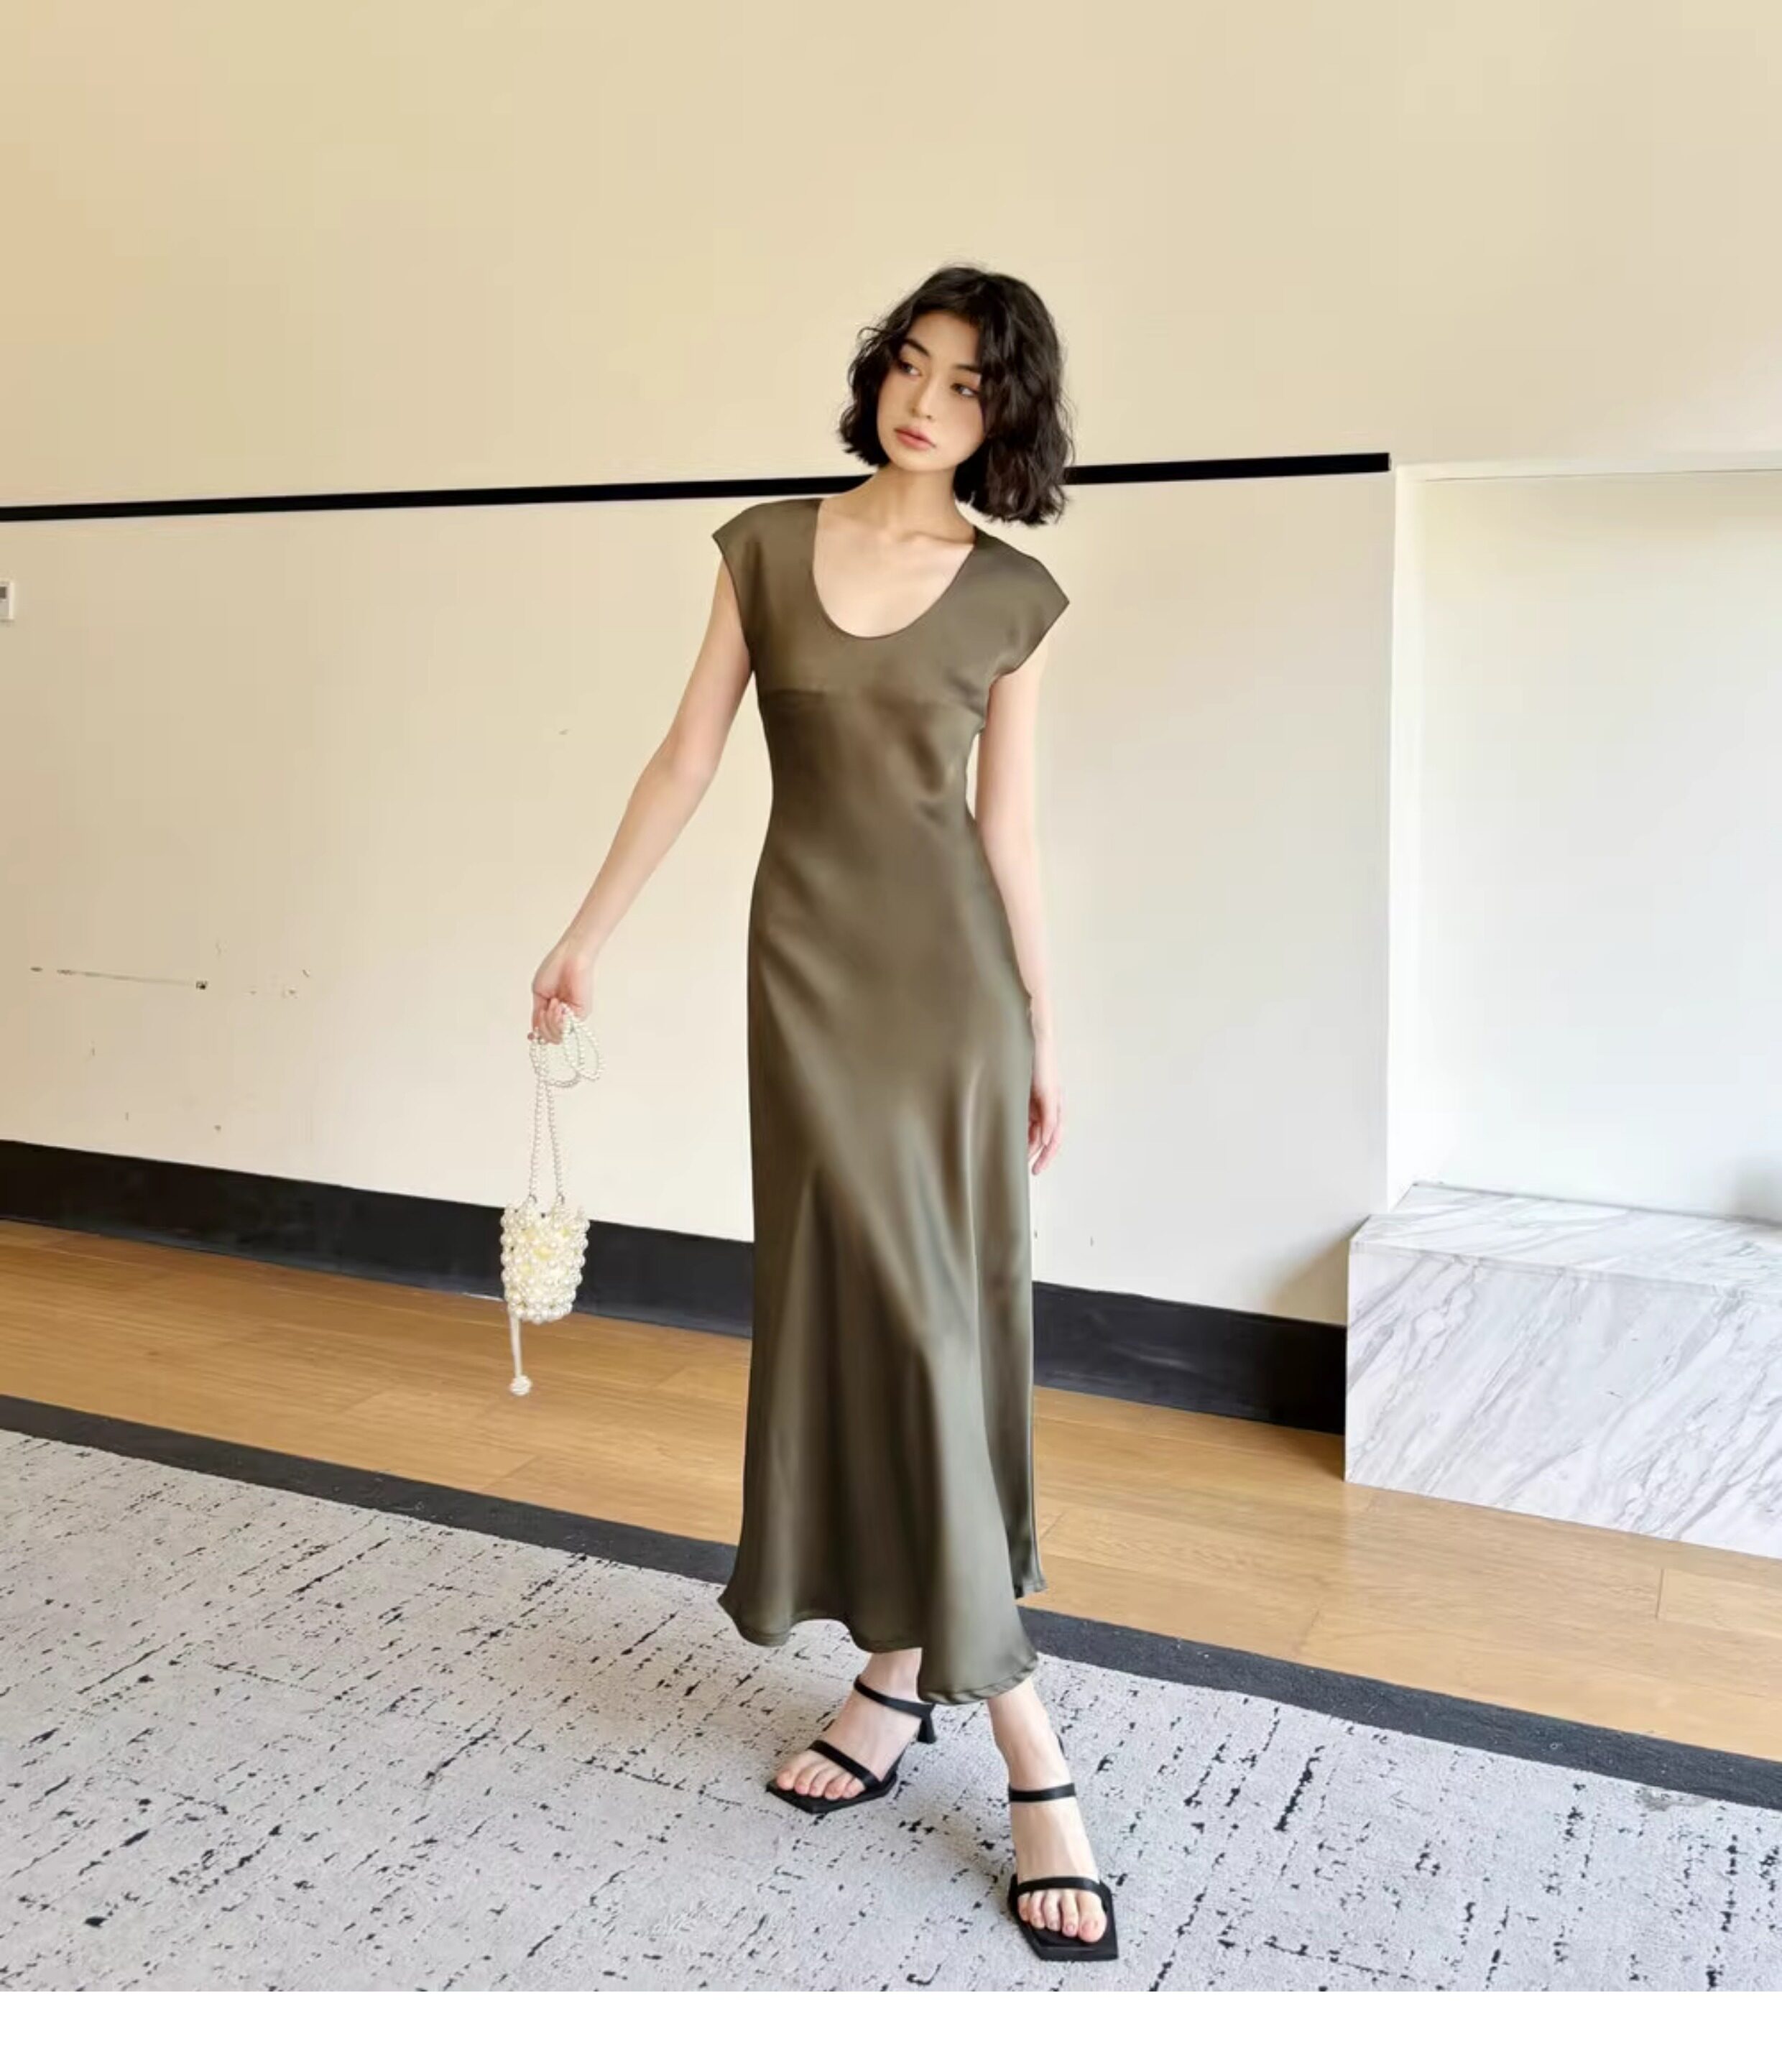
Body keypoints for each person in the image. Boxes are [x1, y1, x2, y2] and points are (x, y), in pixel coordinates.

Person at [530, 264, 1116, 1961]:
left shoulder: (1011, 596)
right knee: (863, 1319)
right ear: (877, 374)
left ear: (1005, 415)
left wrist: (1043, 1025)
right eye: (911, 366)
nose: (926, 402)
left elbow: (1006, 833)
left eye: (968, 384)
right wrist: (583, 934)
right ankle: (897, 1677)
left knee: (932, 1330)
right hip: (803, 983)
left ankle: (1014, 1738)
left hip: (951, 1001)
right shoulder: (766, 550)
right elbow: (684, 759)